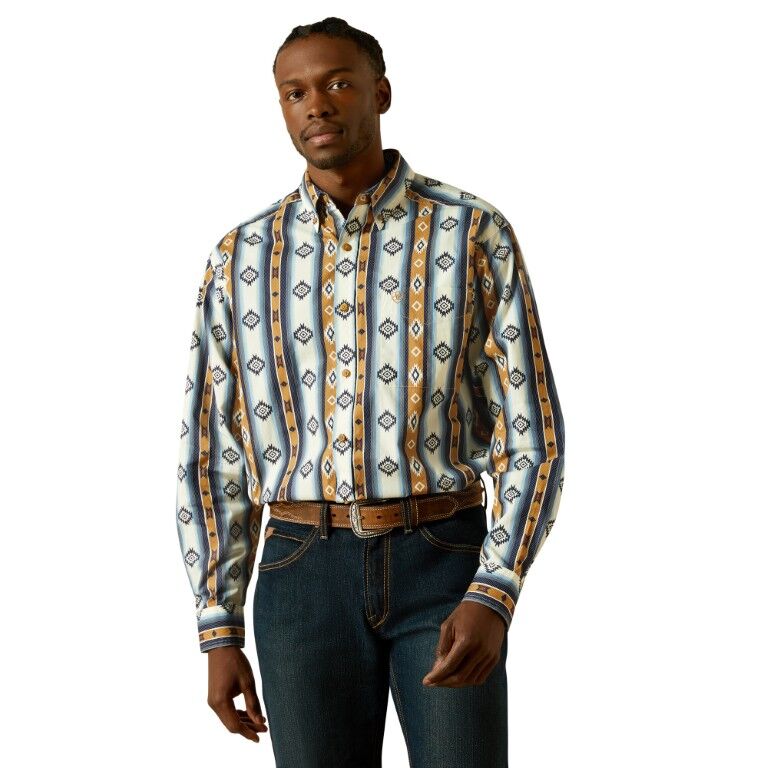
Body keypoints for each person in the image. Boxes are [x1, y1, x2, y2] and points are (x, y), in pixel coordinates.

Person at [175, 15, 566, 768]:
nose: (315, 105)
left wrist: (495, 588)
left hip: (443, 560)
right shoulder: (241, 257)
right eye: (294, 92)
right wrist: (217, 626)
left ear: (380, 93)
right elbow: (212, 450)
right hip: (299, 572)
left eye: (337, 83)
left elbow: (532, 431)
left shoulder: (471, 232)